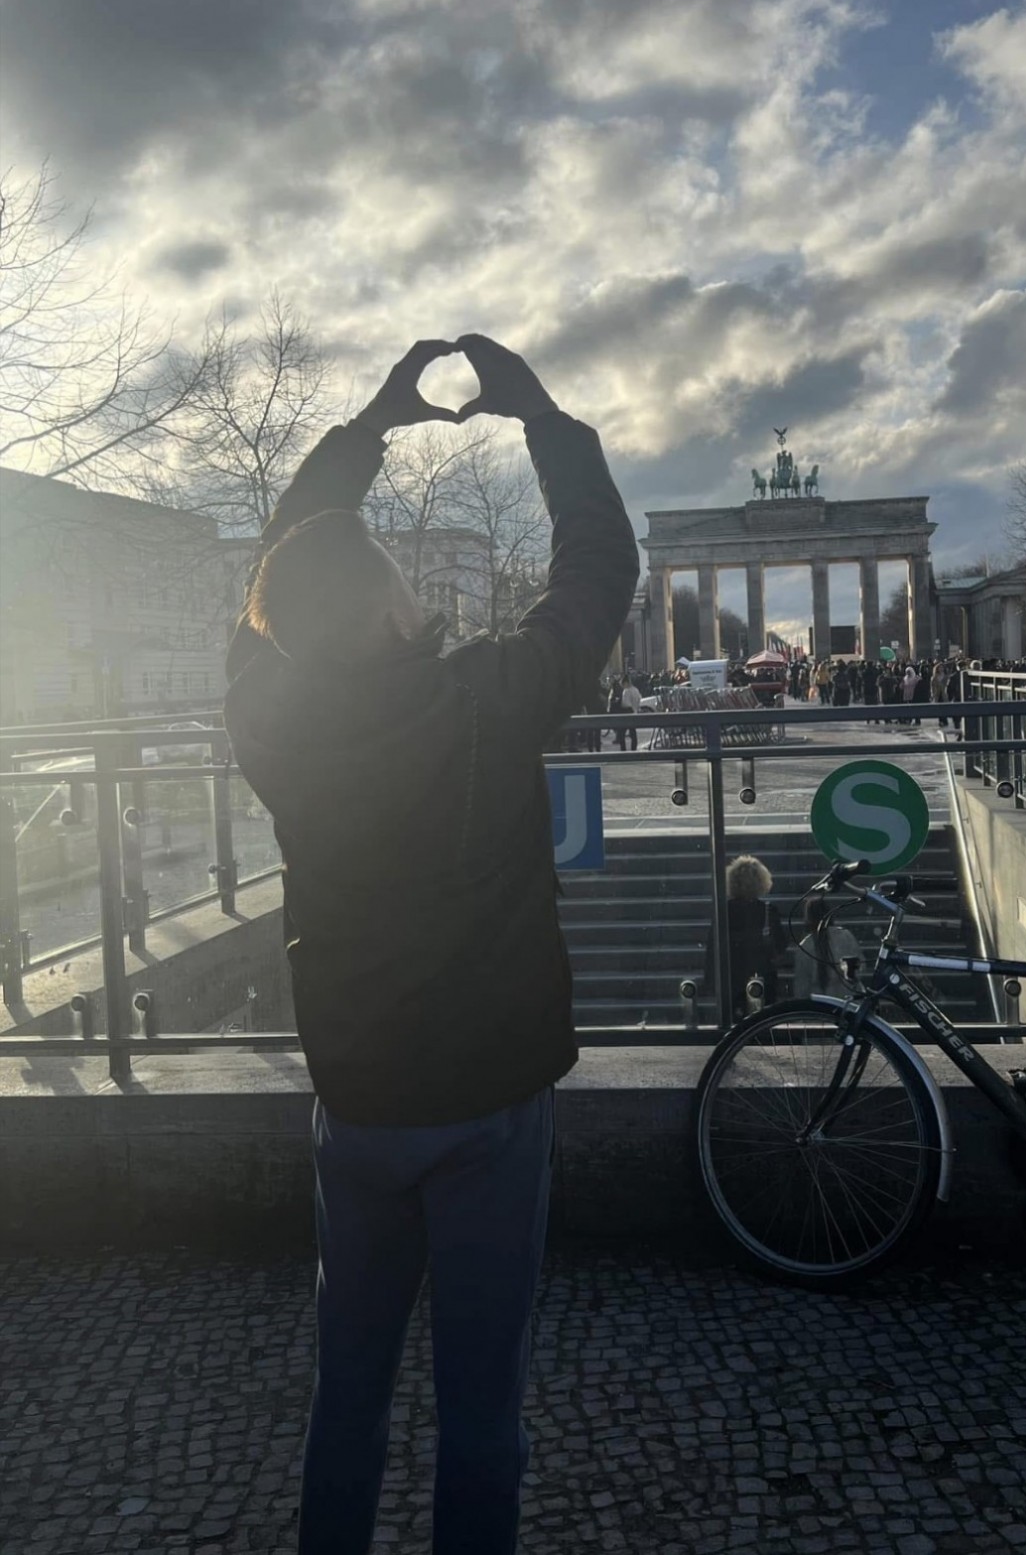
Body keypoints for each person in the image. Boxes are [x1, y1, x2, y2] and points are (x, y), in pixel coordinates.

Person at [223, 334, 639, 1555]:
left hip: (358, 1097)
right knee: (481, 1406)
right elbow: (598, 569)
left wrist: (361, 435)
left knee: (346, 1387)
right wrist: (543, 420)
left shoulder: (266, 715)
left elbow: (276, 572)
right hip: (489, 1098)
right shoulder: (487, 698)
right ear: (395, 608)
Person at [701, 854, 789, 1017]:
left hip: (732, 980)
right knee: (763, 1020)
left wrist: (710, 982)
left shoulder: (724, 912)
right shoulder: (768, 911)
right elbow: (781, 945)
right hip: (763, 978)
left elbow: (713, 947)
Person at [792, 894, 864, 1000]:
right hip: (847, 998)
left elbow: (801, 987)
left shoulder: (804, 948)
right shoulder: (845, 936)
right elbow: (860, 966)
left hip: (820, 1002)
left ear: (808, 919)